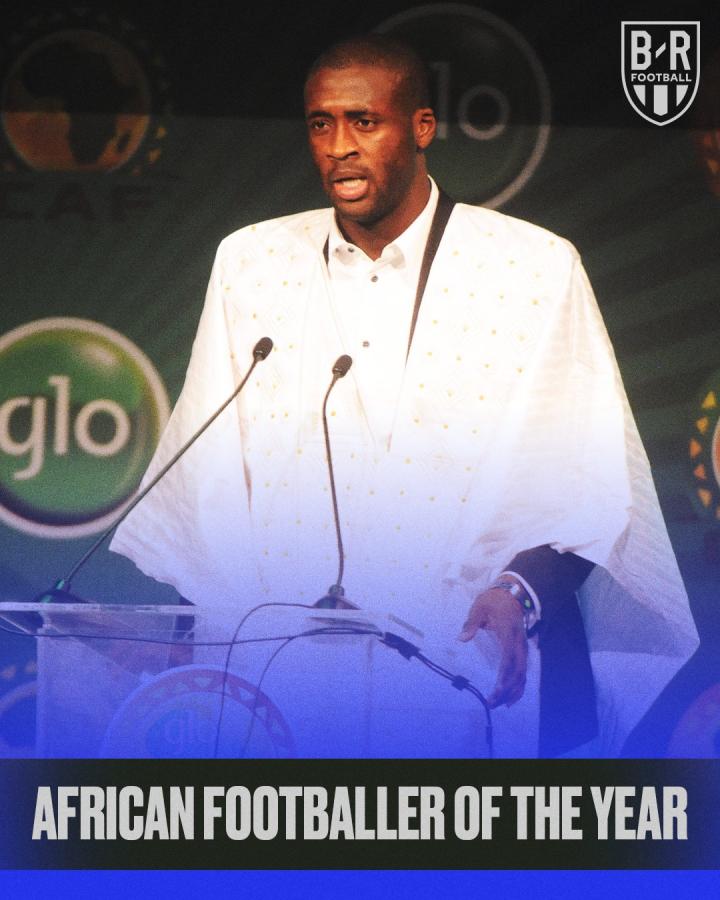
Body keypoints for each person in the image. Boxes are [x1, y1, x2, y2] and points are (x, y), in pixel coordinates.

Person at [111, 35, 698, 756]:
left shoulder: (532, 267)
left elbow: (588, 479)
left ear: (422, 127)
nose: (340, 147)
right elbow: (210, 484)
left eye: (364, 121)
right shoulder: (251, 262)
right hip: (280, 658)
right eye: (321, 124)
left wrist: (517, 592)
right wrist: (191, 630)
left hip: (457, 651)